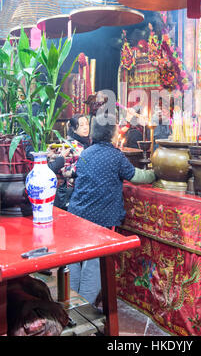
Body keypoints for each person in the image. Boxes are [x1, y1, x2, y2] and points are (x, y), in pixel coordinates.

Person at [67, 113, 156, 306]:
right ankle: (83, 310)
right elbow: (136, 176)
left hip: (76, 214)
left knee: (74, 258)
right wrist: (155, 173)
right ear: (112, 133)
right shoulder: (115, 156)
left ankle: (69, 304)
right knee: (94, 263)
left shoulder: (87, 153)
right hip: (100, 218)